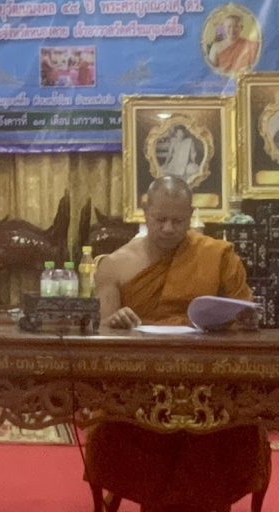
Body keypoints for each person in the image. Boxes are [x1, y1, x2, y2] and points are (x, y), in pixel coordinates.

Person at [86, 176, 269, 511]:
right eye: (160, 219)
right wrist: (116, 322)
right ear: (145, 211)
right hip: (142, 388)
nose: (168, 228)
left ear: (191, 215)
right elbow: (102, 334)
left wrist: (244, 320)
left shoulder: (217, 255)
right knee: (141, 430)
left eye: (178, 221)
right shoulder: (116, 264)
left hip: (211, 383)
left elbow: (246, 317)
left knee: (227, 429)